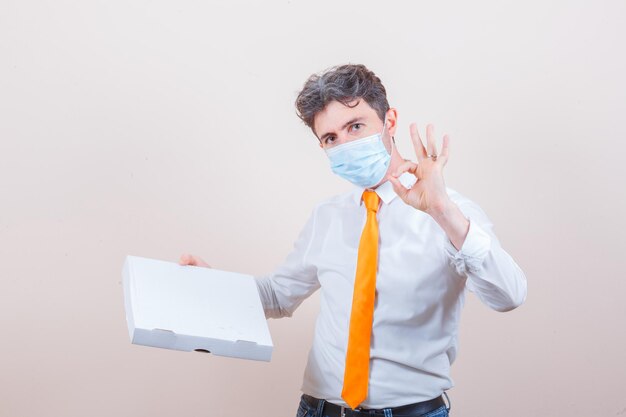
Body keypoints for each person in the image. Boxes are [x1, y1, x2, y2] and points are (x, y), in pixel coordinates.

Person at [179, 64, 527, 417]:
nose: (345, 144)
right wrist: (217, 286)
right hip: (320, 409)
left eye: (355, 126)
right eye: (331, 138)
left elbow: (509, 295)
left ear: (389, 121)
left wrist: (442, 211)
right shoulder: (328, 215)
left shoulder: (452, 213)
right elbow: (278, 296)